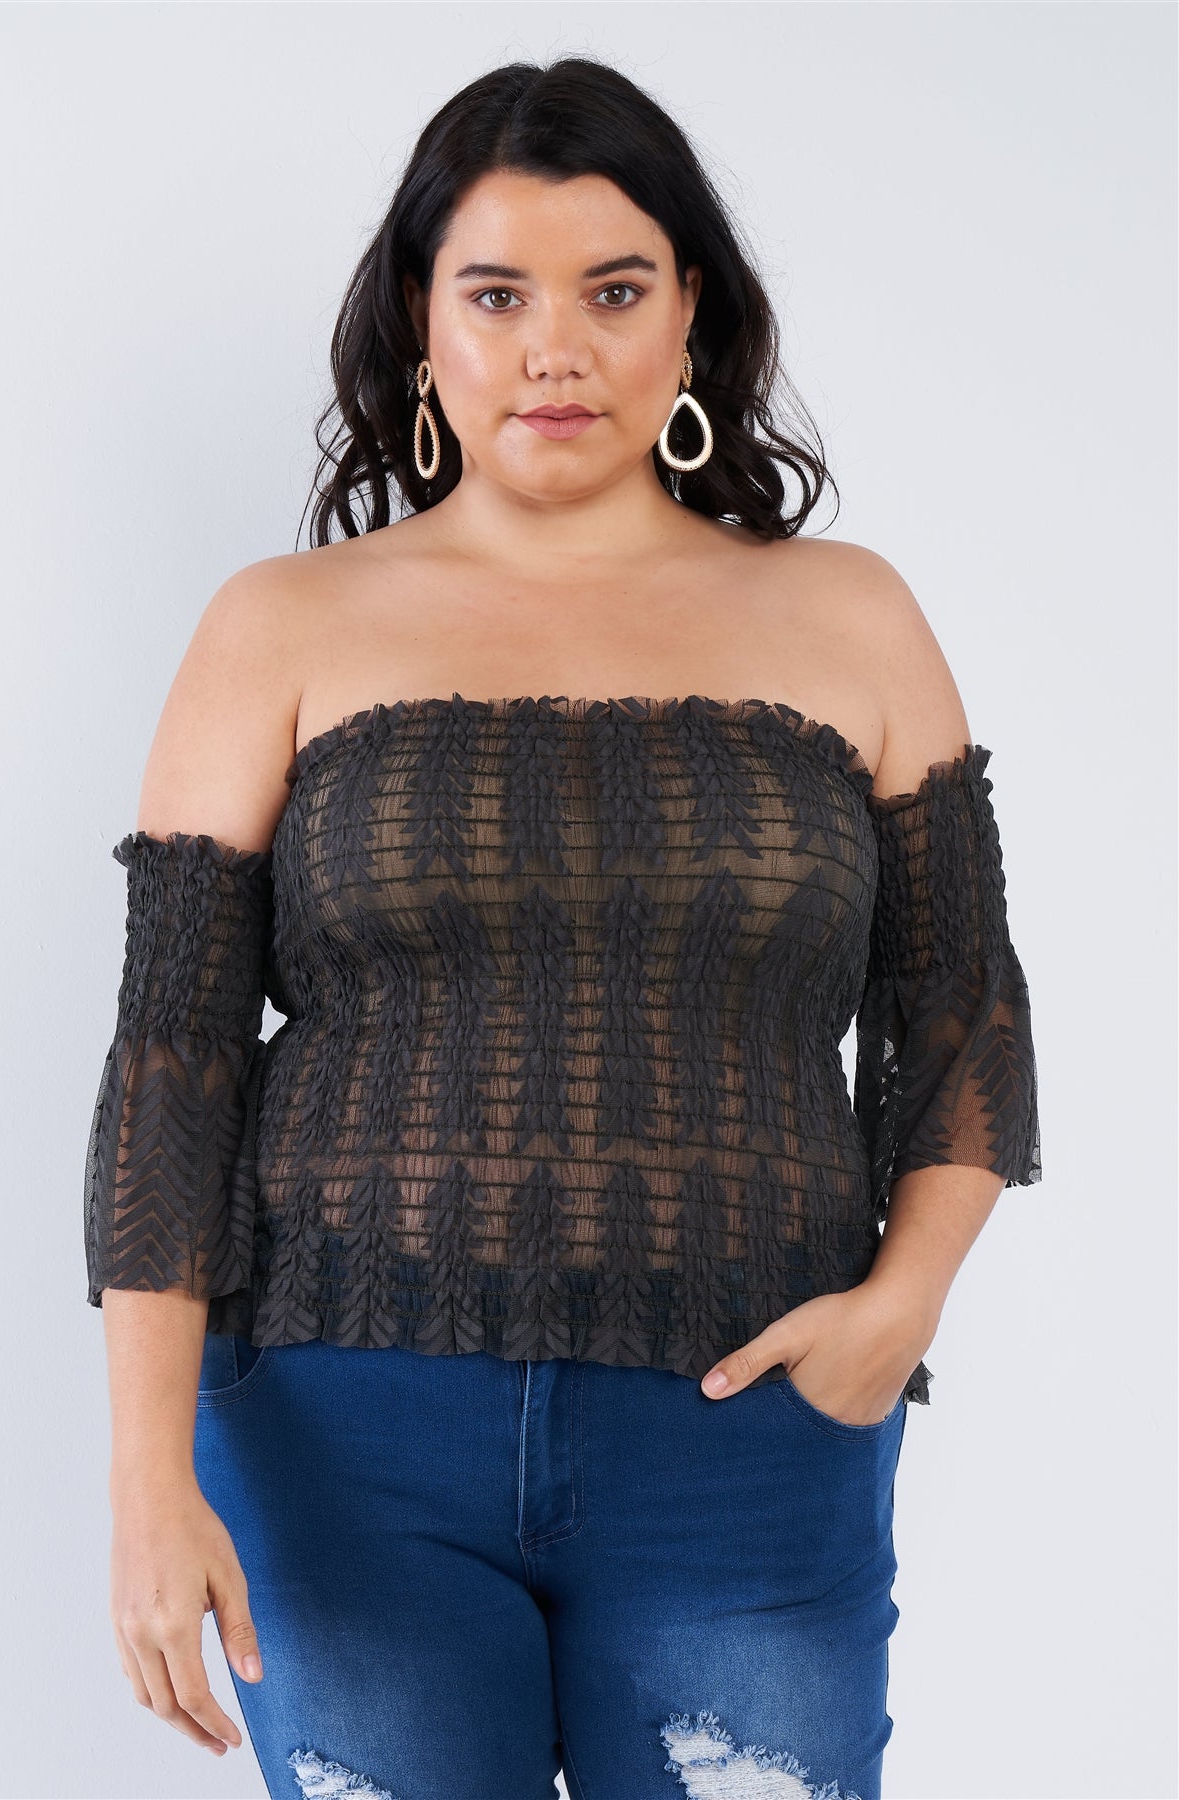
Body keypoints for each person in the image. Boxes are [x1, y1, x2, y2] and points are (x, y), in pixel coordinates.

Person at [84, 55, 1041, 1800]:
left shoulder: (849, 618)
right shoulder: (278, 626)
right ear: (422, 324)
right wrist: (148, 1479)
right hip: (345, 1444)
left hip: (749, 1438)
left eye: (613, 291)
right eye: (497, 294)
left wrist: (904, 1304)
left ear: (692, 316)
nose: (556, 349)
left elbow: (961, 1004)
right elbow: (173, 1064)